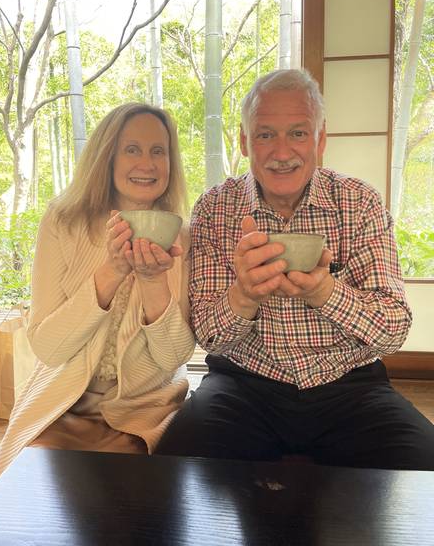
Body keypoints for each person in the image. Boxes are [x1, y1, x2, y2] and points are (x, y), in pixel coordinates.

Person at [156, 69, 434, 470]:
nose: (282, 151)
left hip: (351, 389)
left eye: (298, 134)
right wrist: (244, 295)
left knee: (424, 479)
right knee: (172, 473)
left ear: (320, 140)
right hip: (242, 386)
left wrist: (325, 293)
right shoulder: (216, 209)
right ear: (244, 141)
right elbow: (211, 337)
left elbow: (393, 328)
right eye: (265, 134)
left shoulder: (358, 203)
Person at [0, 102, 195, 478]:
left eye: (159, 151)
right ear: (108, 157)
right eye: (131, 149)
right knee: (30, 492)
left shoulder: (181, 236)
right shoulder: (64, 221)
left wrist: (153, 281)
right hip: (60, 407)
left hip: (140, 413)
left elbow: (171, 358)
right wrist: (113, 269)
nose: (147, 164)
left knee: (128, 503)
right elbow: (48, 348)